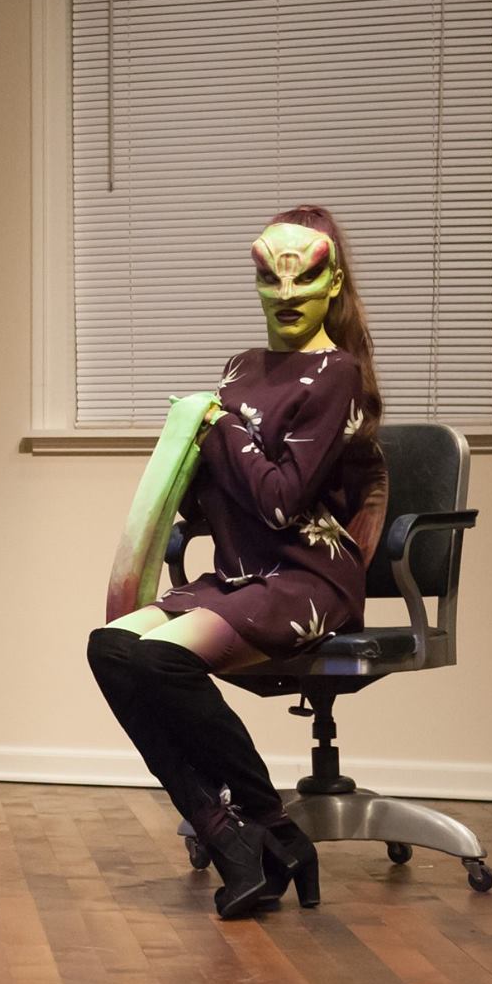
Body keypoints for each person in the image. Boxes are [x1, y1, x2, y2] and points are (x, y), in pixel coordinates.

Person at [87, 204, 388, 919]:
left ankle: (265, 830)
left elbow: (281, 503)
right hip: (238, 574)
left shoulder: (337, 374)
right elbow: (219, 492)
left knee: (162, 660)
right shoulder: (241, 367)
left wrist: (220, 426)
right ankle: (232, 830)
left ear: (333, 284)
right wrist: (186, 456)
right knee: (112, 650)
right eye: (270, 280)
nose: (286, 295)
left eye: (303, 279)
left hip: (306, 577)